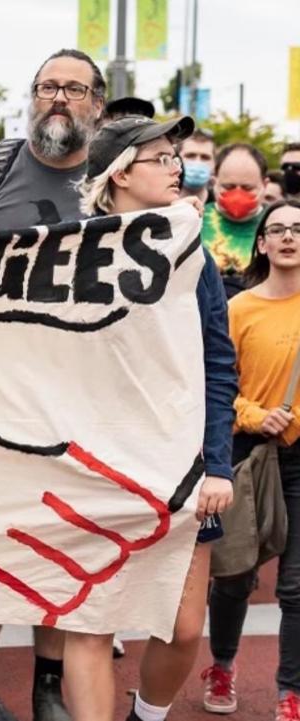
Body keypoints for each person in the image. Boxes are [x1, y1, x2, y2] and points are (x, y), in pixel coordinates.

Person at [0, 47, 107, 721]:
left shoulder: (113, 179)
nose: (58, 99)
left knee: (59, 545)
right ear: (31, 98)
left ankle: (46, 684)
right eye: (46, 87)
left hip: (80, 404)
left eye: (73, 89)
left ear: (96, 104)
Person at [61, 115, 236, 721]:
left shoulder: (193, 251)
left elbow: (218, 360)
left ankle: (148, 714)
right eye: (160, 156)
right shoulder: (69, 250)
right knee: (88, 623)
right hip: (91, 468)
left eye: (175, 156)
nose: (176, 167)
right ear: (119, 172)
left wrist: (219, 464)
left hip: (181, 466)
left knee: (185, 628)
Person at [204, 198, 300, 721]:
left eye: (298, 229)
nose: (288, 237)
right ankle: (221, 665)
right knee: (235, 573)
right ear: (260, 243)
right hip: (245, 452)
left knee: (297, 584)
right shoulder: (238, 307)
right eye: (277, 229)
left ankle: (290, 690)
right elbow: (218, 381)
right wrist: (252, 415)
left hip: (299, 457)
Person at [203, 143, 269, 281]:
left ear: (265, 185)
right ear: (214, 182)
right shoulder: (194, 220)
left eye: (247, 188)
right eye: (229, 186)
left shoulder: (278, 224)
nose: (237, 194)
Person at [177, 129, 216, 205]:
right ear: (177, 159)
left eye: (205, 157)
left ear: (214, 163)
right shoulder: (159, 204)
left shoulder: (220, 207)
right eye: (190, 156)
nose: (197, 162)